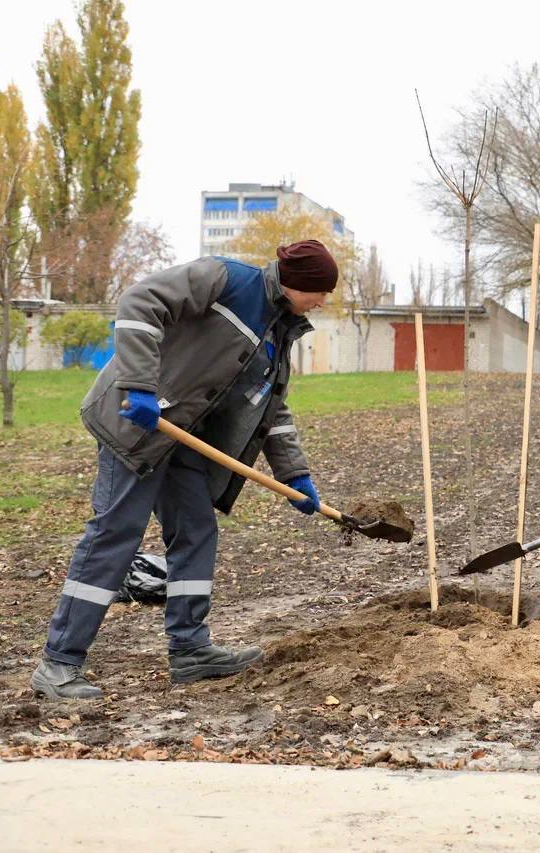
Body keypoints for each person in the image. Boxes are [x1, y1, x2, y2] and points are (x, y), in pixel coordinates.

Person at [31, 240, 338, 699]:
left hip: (184, 440)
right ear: (298, 284)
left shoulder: (279, 328)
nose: (324, 301)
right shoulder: (225, 279)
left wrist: (295, 474)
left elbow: (273, 407)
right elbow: (140, 300)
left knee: (196, 530)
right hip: (136, 424)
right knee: (115, 534)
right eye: (321, 292)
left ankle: (190, 650)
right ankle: (59, 663)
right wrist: (138, 385)